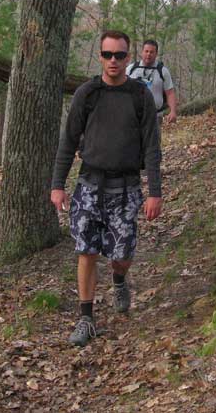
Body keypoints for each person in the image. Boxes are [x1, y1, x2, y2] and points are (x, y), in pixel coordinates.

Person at [50, 30, 163, 347]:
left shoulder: (140, 96)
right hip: (89, 184)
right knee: (86, 250)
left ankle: (119, 278)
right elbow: (68, 141)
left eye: (120, 55)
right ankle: (86, 318)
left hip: (126, 187)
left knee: (121, 253)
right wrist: (58, 185)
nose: (113, 61)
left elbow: (153, 148)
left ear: (129, 58)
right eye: (107, 54)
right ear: (99, 56)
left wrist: (155, 191)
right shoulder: (87, 94)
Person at [126, 39, 178, 125]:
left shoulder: (163, 71)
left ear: (156, 54)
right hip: (134, 115)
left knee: (153, 138)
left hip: (155, 116)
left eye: (151, 52)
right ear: (142, 52)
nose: (148, 54)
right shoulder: (131, 69)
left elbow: (170, 93)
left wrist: (173, 111)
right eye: (146, 51)